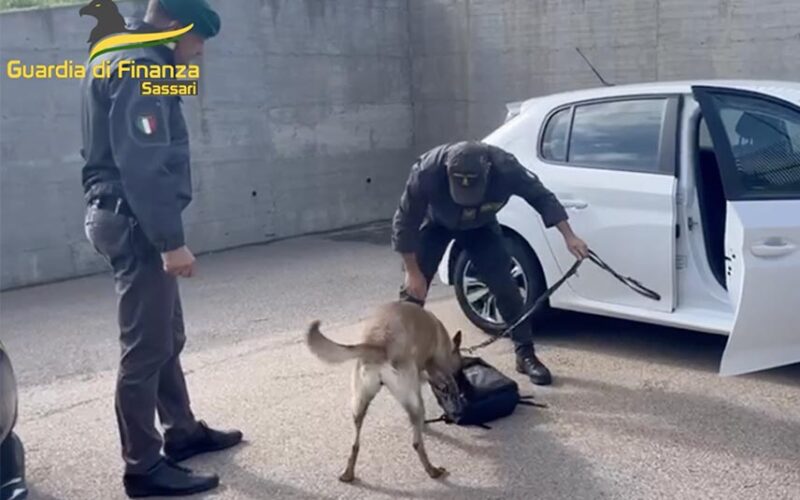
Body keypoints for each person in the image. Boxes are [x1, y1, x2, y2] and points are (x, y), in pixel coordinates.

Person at [80, 0, 241, 497]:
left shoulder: (125, 54)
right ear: (174, 26)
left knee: (165, 336)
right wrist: (171, 243)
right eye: (198, 40)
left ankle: (182, 432)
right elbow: (143, 164)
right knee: (146, 349)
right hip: (136, 222)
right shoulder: (140, 68)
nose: (199, 53)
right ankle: (143, 468)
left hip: (124, 215)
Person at [391, 141, 589, 386]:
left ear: (487, 171)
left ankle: (525, 354)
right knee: (413, 291)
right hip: (436, 225)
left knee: (506, 287)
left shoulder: (506, 168)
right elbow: (404, 221)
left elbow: (541, 197)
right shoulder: (427, 172)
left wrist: (569, 235)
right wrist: (413, 272)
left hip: (481, 227)